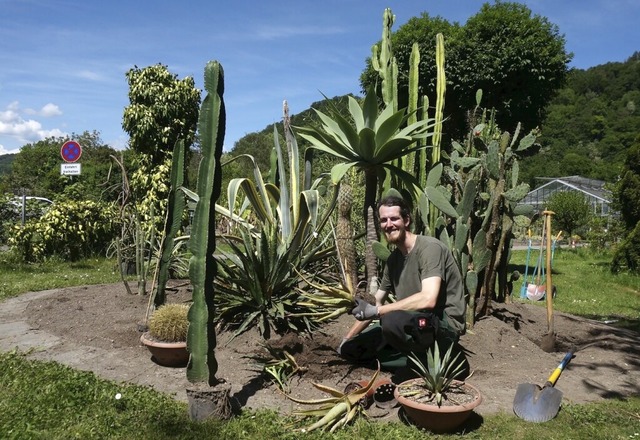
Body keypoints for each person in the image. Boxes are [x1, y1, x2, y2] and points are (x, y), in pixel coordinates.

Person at [338, 194, 467, 371]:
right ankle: (419, 364)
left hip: (443, 326)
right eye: (383, 220)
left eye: (394, 218)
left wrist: (377, 311)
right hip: (412, 323)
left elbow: (428, 299)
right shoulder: (393, 261)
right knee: (351, 350)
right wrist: (348, 338)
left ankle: (445, 358)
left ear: (406, 220)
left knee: (391, 320)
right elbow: (376, 302)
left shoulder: (429, 249)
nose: (388, 224)